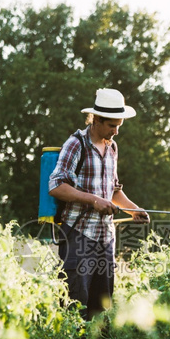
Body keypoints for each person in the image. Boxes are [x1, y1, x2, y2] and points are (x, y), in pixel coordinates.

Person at [48, 88, 149, 320]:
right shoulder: (76, 144)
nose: (115, 132)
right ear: (96, 119)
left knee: (102, 309)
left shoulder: (112, 148)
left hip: (106, 239)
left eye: (119, 126)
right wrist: (94, 201)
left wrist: (134, 210)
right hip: (78, 236)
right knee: (74, 307)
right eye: (111, 126)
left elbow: (113, 190)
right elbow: (55, 186)